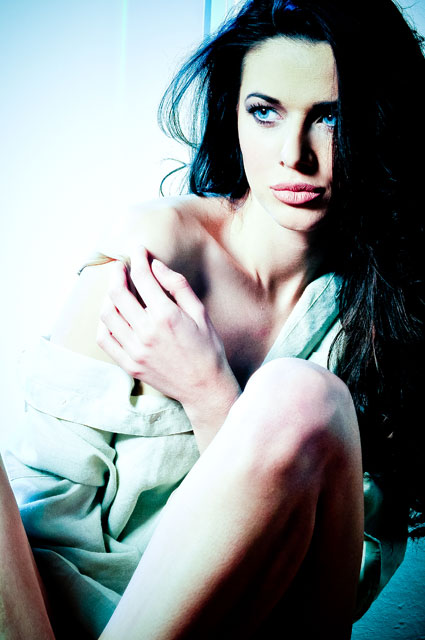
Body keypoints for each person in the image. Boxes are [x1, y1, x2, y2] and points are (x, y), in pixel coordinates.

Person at [1, 0, 424, 638]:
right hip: (52, 616)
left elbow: (346, 579)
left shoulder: (392, 316)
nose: (294, 156)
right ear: (234, 114)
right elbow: (47, 505)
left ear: (382, 124)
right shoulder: (155, 253)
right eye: (265, 112)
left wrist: (210, 392)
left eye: (330, 117)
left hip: (248, 622)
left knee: (303, 397)